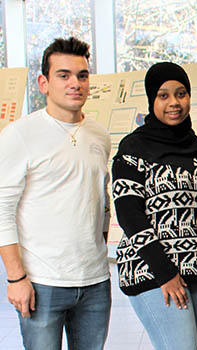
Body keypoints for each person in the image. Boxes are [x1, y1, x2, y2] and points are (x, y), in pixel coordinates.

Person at [0, 36, 111, 350]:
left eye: (82, 75)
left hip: (95, 282)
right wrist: (15, 277)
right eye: (63, 75)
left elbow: (101, 201)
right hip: (41, 282)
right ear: (44, 83)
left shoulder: (99, 135)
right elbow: (2, 209)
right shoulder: (19, 135)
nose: (75, 83)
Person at [112, 62, 197, 349]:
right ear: (152, 100)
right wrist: (166, 274)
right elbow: (129, 215)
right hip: (154, 272)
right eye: (163, 96)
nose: (174, 103)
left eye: (181, 93)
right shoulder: (133, 148)